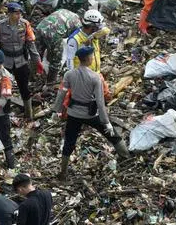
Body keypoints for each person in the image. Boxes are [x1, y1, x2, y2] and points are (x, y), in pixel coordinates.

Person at [54, 45, 128, 179]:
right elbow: (100, 103)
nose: (93, 58)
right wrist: (107, 123)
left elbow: (61, 93)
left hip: (73, 114)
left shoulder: (69, 74)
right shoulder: (95, 77)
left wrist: (57, 110)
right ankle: (126, 156)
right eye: (92, 56)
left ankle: (63, 172)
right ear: (88, 59)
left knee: (69, 142)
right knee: (113, 135)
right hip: (91, 114)